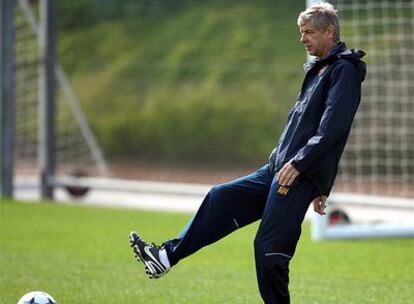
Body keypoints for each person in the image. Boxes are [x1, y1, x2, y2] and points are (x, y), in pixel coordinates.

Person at [129, 2, 366, 303]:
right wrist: (302, 168)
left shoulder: (344, 70)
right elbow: (304, 126)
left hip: (297, 173)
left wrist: (312, 176)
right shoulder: (321, 68)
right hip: (278, 168)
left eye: (308, 32)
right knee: (220, 197)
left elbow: (333, 128)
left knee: (269, 251)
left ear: (329, 31)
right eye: (300, 32)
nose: (302, 39)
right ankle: (165, 256)